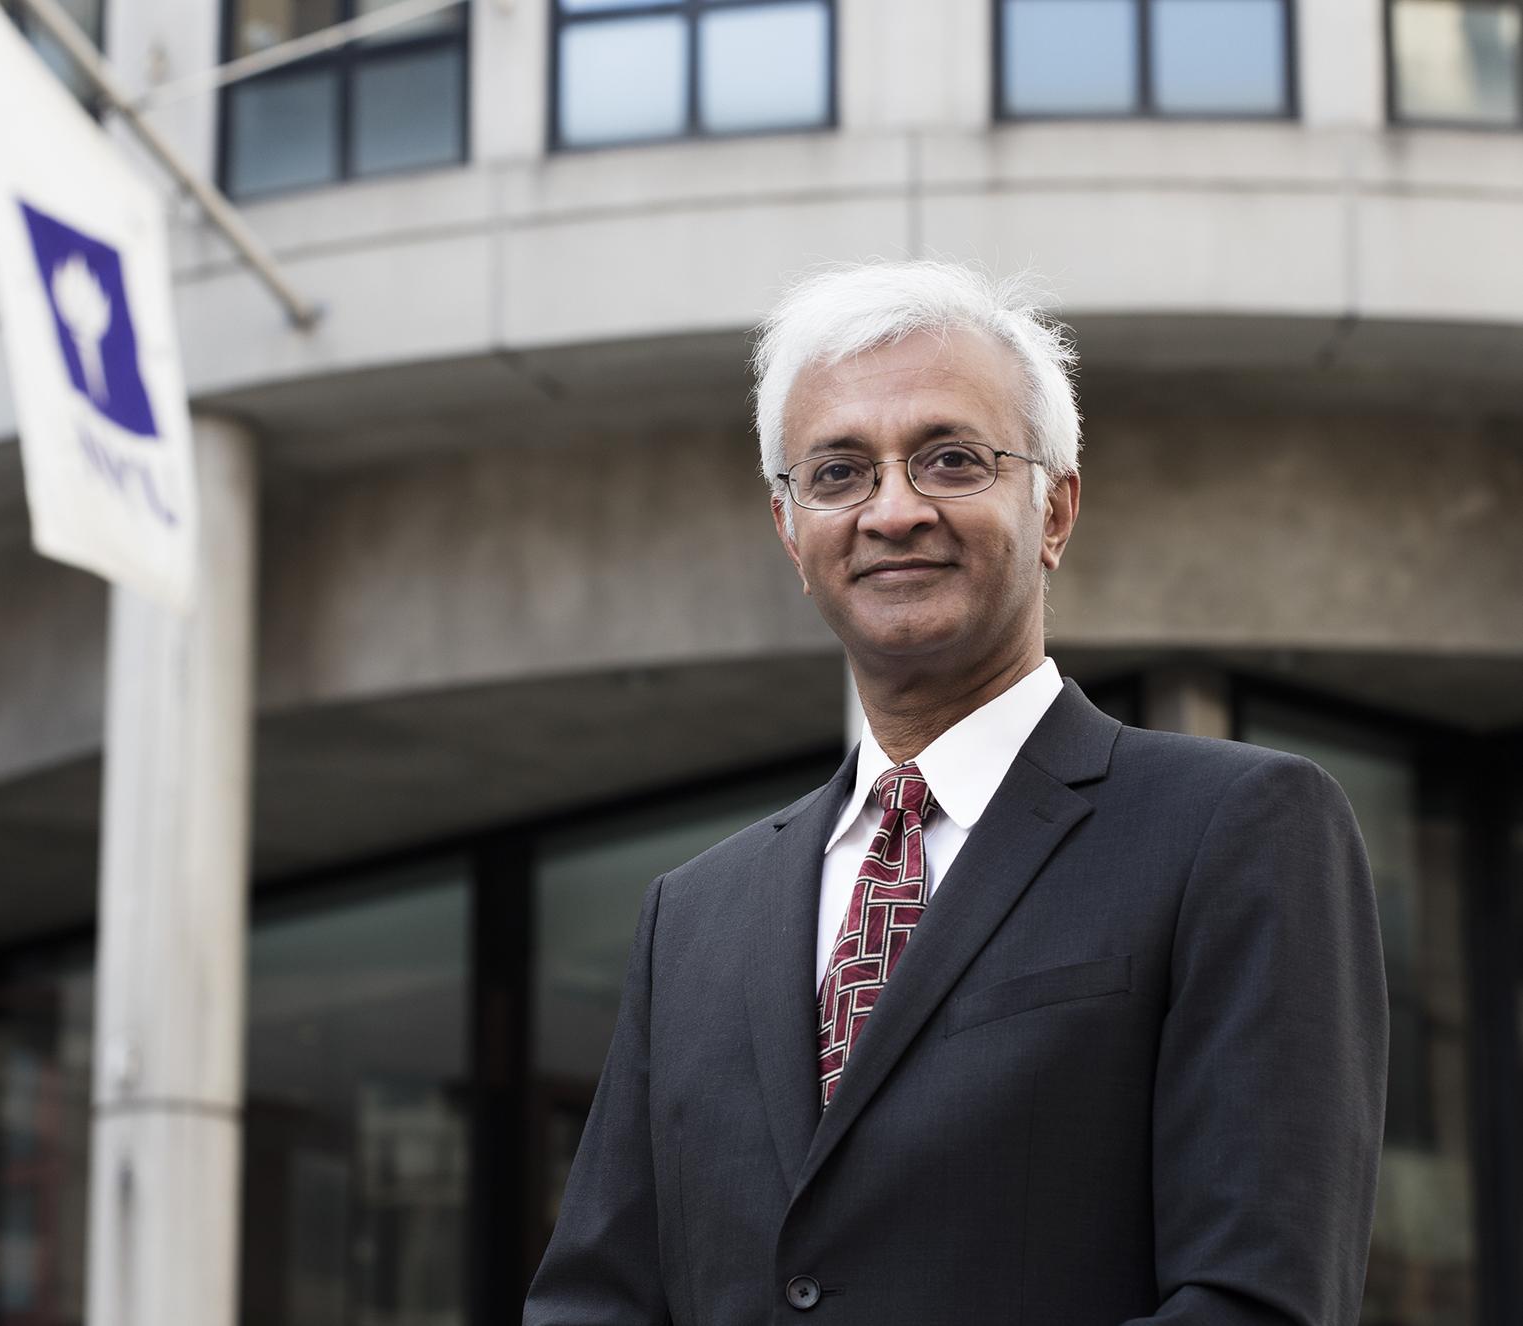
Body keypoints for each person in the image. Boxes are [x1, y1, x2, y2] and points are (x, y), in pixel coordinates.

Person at [523, 262, 1388, 1325]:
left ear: (1055, 506)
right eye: (838, 473)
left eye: (950, 459)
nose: (894, 510)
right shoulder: (692, 916)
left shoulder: (1237, 830)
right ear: (792, 533)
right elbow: (594, 1303)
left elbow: (1257, 1299)